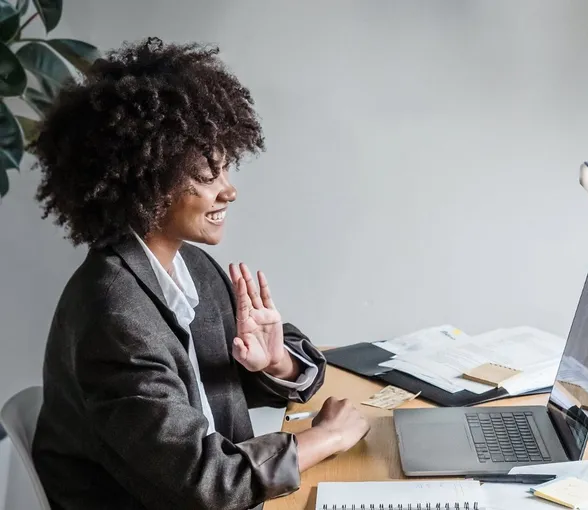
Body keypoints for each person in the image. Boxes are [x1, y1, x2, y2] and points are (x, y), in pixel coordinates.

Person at [30, 37, 370, 510]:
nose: (229, 191)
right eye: (207, 177)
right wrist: (325, 439)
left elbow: (217, 380)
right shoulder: (115, 314)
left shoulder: (189, 267)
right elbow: (204, 482)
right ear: (147, 183)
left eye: (226, 169)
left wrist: (277, 364)